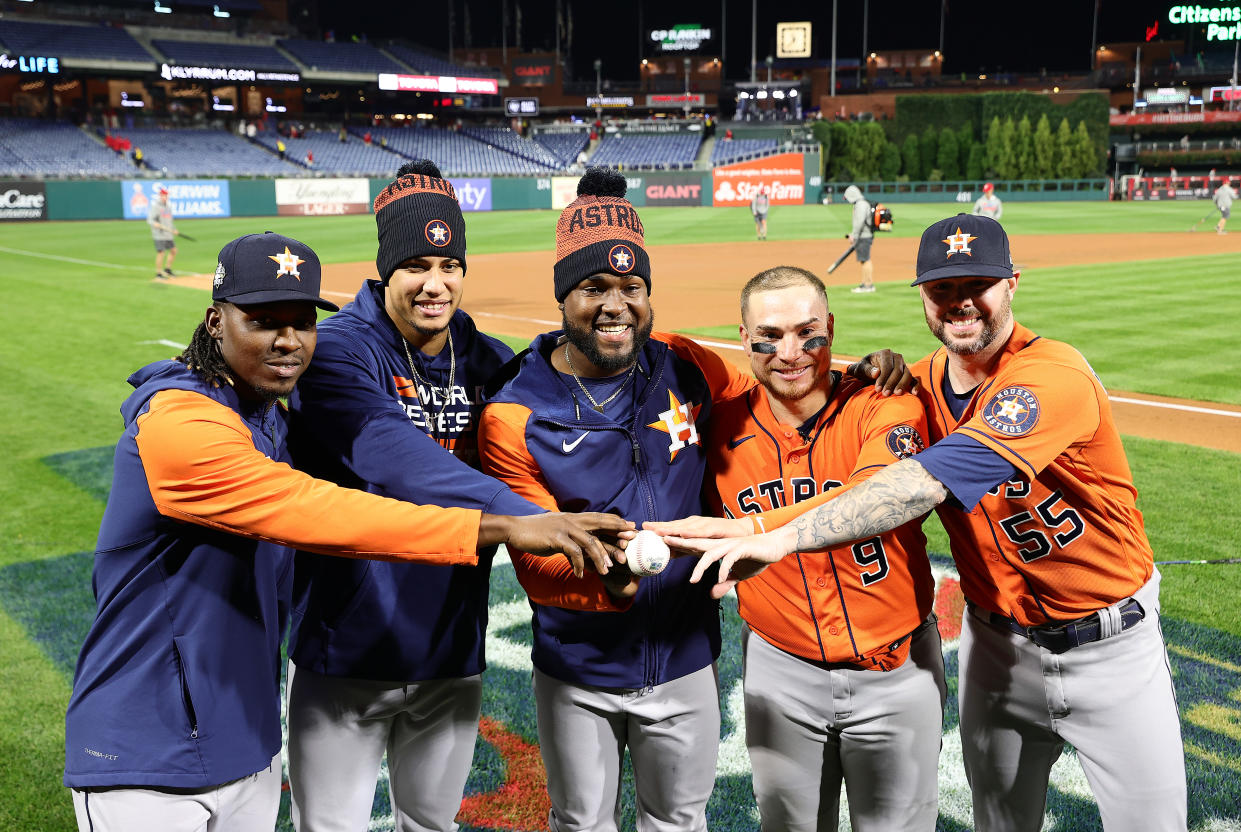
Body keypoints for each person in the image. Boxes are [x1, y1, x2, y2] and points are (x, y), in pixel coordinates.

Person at [64, 231, 631, 832]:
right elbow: (320, 511)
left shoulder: (267, 420)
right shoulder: (181, 421)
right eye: (263, 321)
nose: (288, 341)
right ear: (214, 322)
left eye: (301, 322)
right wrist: (499, 527)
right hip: (145, 757)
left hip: (245, 747)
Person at [653, 213, 1188, 832]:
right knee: (999, 823)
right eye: (942, 288)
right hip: (997, 648)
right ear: (924, 297)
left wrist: (765, 532)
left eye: (978, 284)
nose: (961, 303)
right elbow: (823, 409)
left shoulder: (1051, 376)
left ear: (1012, 282)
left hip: (1110, 646)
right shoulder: (918, 387)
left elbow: (912, 486)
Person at [285, 160, 576, 832]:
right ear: (386, 268)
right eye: (416, 264)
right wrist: (534, 522)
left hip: (449, 649)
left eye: (449, 265)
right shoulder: (337, 351)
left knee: (432, 824)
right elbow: (392, 458)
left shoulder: (489, 359)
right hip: (345, 651)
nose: (434, 283)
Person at [476, 167, 755, 832]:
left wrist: (858, 372)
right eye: (594, 287)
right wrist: (617, 582)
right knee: (580, 824)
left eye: (631, 287)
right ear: (563, 298)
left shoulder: (688, 367)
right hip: (577, 668)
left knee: (678, 823)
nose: (615, 304)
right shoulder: (514, 412)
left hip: (685, 656)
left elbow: (778, 395)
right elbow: (534, 559)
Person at [707, 265, 945, 830]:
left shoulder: (885, 404)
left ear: (831, 328)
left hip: (897, 668)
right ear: (743, 338)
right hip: (779, 669)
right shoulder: (715, 429)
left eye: (806, 332)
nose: (789, 352)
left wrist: (759, 531)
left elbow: (881, 491)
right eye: (767, 336)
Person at [843, 184, 875, 293]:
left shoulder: (861, 205)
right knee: (864, 260)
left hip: (863, 236)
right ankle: (866, 283)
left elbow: (859, 222)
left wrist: (854, 236)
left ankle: (868, 286)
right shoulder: (862, 203)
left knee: (865, 260)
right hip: (865, 235)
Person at [147, 185, 178, 280]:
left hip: (168, 234)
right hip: (159, 234)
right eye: (163, 195)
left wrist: (174, 229)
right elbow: (150, 220)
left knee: (174, 251)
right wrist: (155, 224)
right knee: (161, 253)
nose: (165, 197)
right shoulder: (156, 206)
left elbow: (169, 220)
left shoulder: (168, 207)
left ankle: (167, 270)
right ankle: (158, 274)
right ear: (160, 196)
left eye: (166, 196)